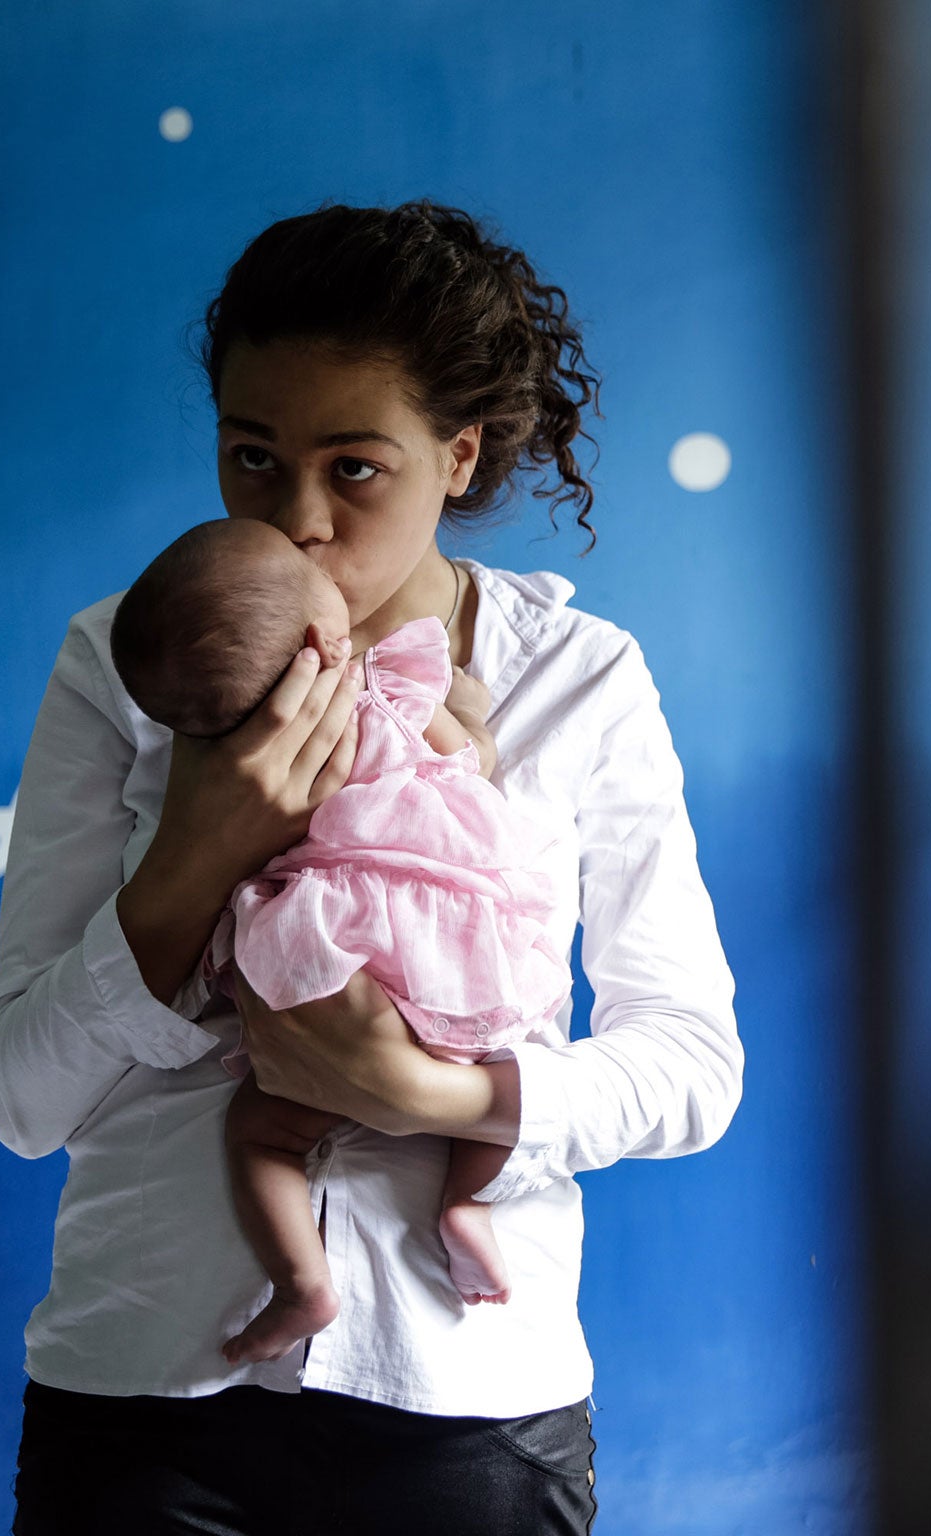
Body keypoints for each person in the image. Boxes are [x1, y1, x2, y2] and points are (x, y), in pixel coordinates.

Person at [0, 200, 743, 1534]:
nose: (301, 518)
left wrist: (431, 1090)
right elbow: (19, 1102)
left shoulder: (578, 680)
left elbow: (690, 1065)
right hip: (143, 1400)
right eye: (253, 457)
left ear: (460, 455)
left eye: (356, 467)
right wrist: (201, 850)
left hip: (469, 1405)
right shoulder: (126, 662)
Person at [107, 516, 574, 1358]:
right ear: (327, 635)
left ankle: (303, 1283)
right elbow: (466, 759)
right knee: (505, 1078)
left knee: (262, 1130)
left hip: (333, 948)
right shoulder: (387, 684)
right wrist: (468, 723)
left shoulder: (237, 756)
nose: (310, 531)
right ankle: (467, 1203)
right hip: (449, 947)